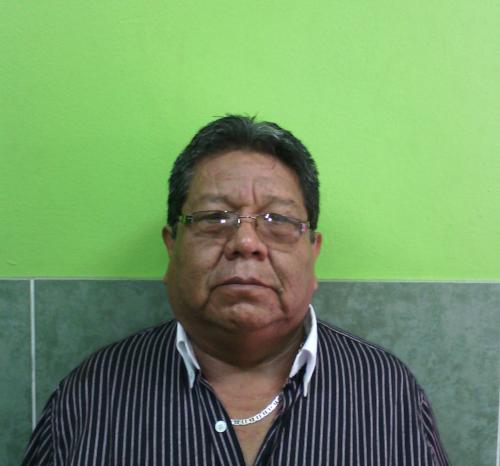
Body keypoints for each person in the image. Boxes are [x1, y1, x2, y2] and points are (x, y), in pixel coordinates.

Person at [23, 115, 450, 465]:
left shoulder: (387, 392)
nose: (246, 243)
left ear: (313, 252)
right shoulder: (90, 396)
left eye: (278, 221)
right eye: (215, 218)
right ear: (172, 247)